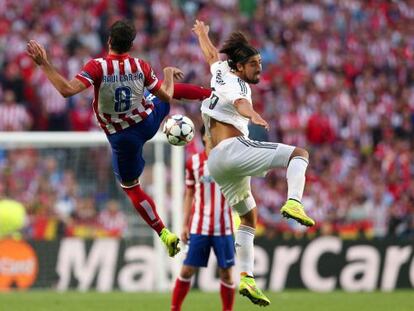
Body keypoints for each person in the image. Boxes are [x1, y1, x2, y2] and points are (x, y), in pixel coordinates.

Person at [26, 19, 210, 257]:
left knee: (132, 187)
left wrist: (45, 64)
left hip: (122, 138)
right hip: (147, 122)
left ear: (109, 40)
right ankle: (212, 95)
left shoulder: (97, 67)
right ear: (131, 45)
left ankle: (164, 232)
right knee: (165, 91)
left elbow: (66, 90)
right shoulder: (140, 65)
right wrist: (167, 74)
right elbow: (166, 95)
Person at [192, 20, 315, 306]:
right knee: (299, 153)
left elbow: (212, 56)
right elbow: (240, 104)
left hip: (217, 162)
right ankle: (294, 200)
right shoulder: (239, 87)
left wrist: (203, 35)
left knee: (248, 217)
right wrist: (254, 115)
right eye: (253, 64)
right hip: (232, 149)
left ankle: (246, 277)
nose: (259, 68)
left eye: (260, 62)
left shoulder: (221, 70)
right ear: (239, 67)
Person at [171, 126, 235, 311]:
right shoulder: (193, 162)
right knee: (187, 270)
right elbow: (189, 194)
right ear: (204, 137)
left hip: (223, 227)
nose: (215, 135)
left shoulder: (229, 162)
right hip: (199, 226)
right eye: (211, 132)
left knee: (226, 274)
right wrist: (184, 224)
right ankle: (175, 308)